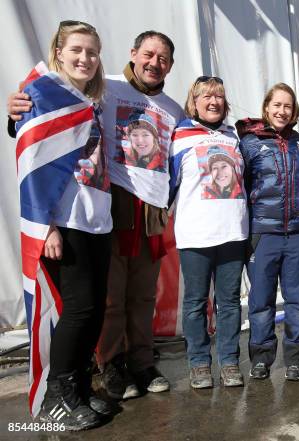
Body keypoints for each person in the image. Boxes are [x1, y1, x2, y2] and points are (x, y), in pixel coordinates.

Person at [7, 30, 184, 401]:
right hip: (112, 201)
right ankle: (111, 366)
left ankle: (142, 362)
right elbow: (56, 114)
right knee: (110, 297)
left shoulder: (173, 108)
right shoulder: (106, 87)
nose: (154, 63)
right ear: (133, 53)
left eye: (163, 58)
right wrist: (16, 114)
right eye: (148, 54)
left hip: (151, 208)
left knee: (142, 296)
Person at [14, 20, 112, 430]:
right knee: (78, 309)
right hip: (64, 222)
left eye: (91, 52)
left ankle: (78, 386)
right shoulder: (40, 94)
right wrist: (46, 227)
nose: (84, 58)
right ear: (58, 52)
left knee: (92, 311)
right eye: (76, 50)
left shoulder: (90, 101)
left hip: (97, 219)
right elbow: (30, 161)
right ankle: (57, 393)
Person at [168, 76, 247, 389]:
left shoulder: (234, 136)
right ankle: (199, 362)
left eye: (218, 97)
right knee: (196, 303)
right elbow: (166, 182)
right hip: (196, 234)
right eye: (206, 97)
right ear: (194, 102)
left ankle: (228, 361)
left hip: (233, 232)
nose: (213, 102)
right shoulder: (180, 135)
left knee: (229, 302)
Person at [237, 83, 299, 381]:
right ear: (266, 108)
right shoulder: (250, 142)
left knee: (297, 300)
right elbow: (240, 186)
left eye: (287, 106)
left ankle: (295, 359)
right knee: (261, 300)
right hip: (263, 233)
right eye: (277, 105)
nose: (282, 111)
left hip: (297, 233)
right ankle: (261, 358)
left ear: (294, 111)